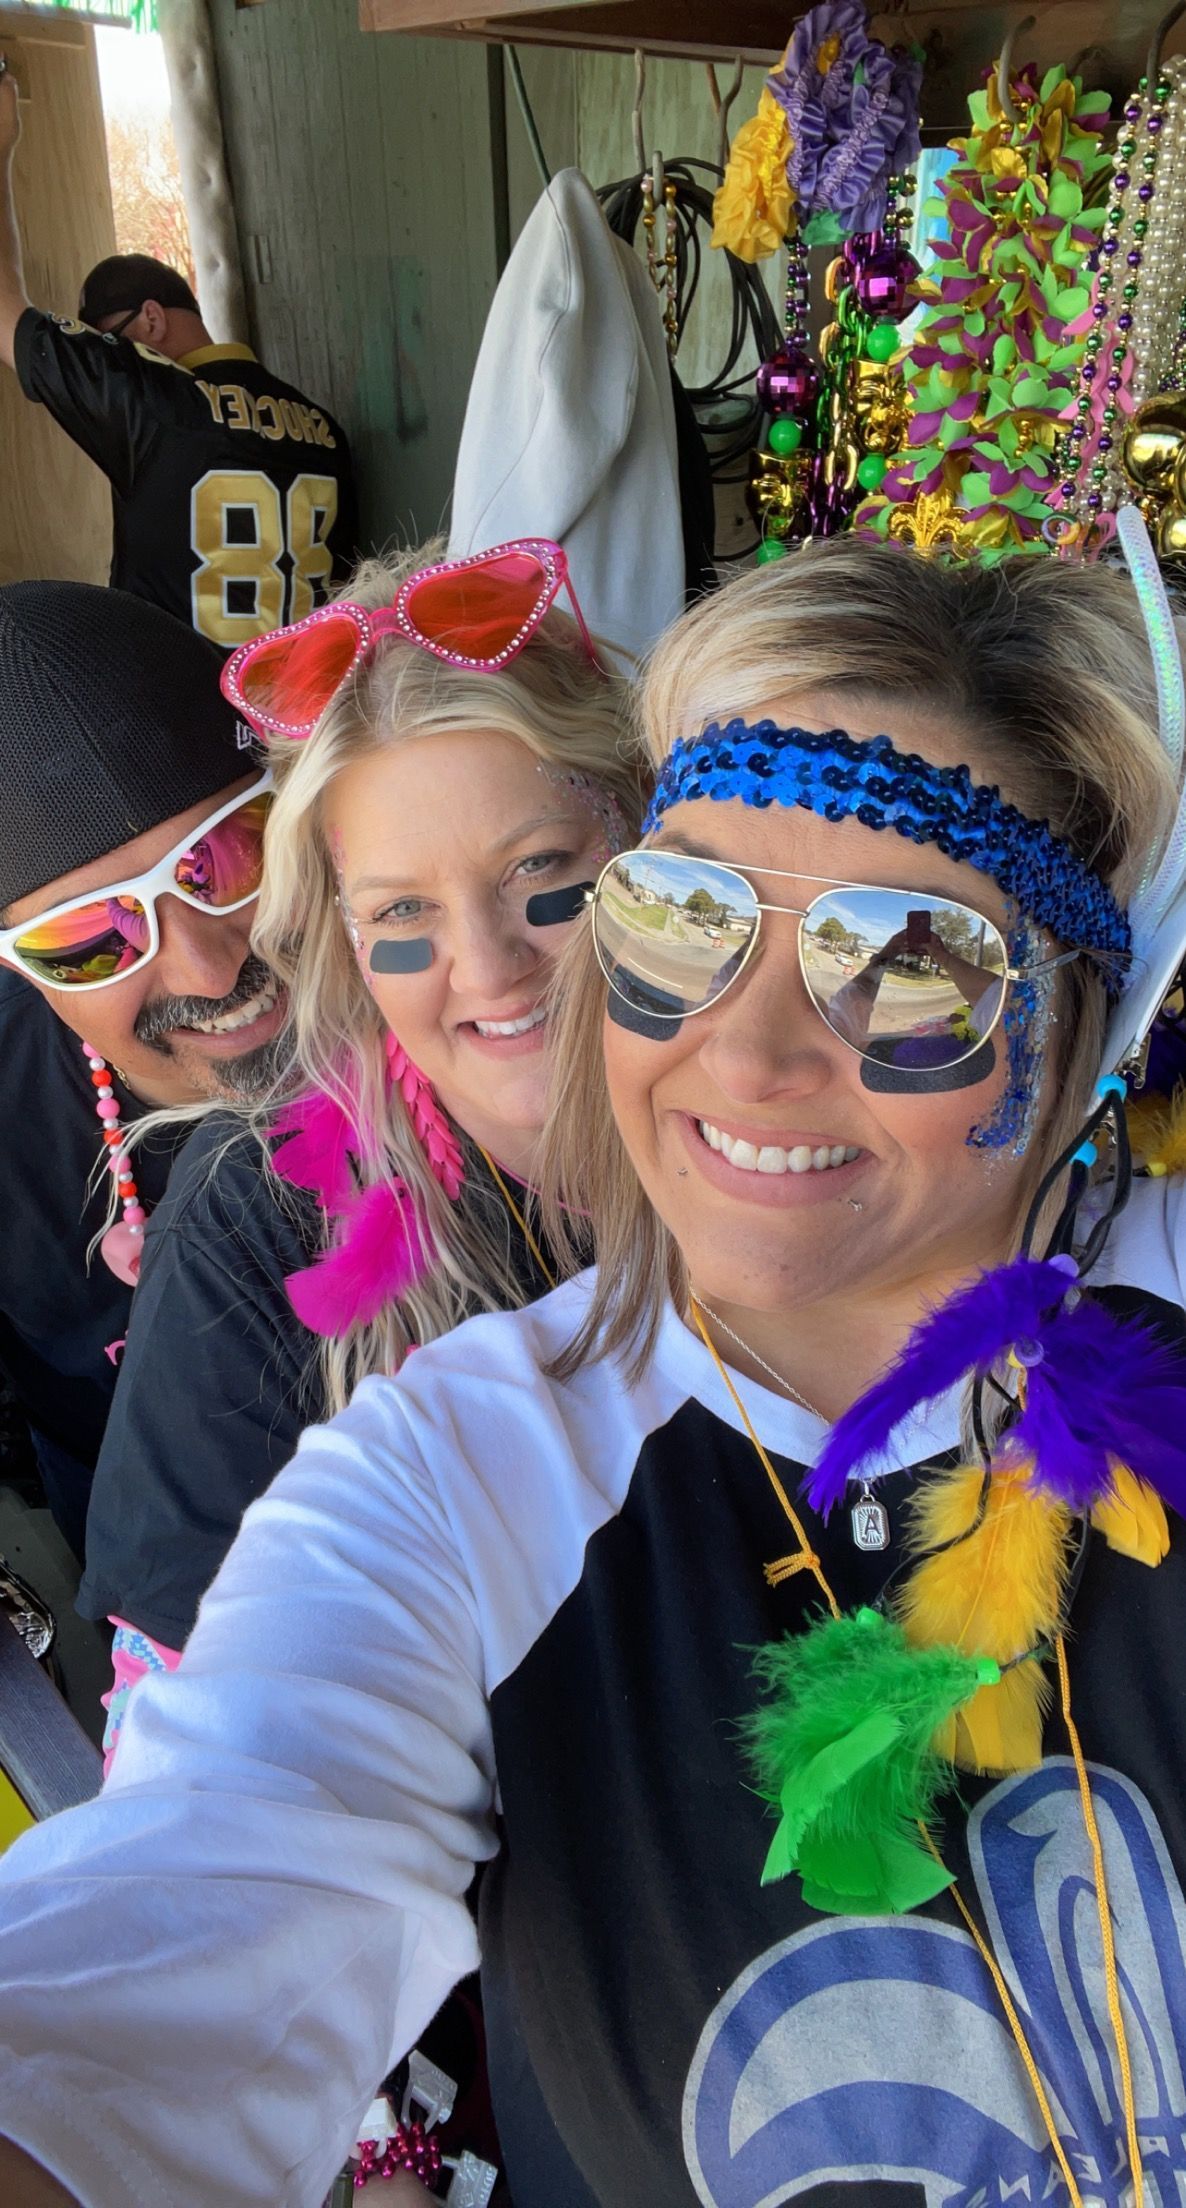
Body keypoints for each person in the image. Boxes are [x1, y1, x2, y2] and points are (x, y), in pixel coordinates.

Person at [4, 538, 1186, 2208]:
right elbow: (198, 1890)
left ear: (1086, 1021)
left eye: (907, 958)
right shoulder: (447, 1464)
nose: (748, 1054)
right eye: (689, 918)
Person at [79, 536, 638, 1761]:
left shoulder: (776, 1120)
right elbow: (200, 1754)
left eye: (540, 871)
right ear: (340, 933)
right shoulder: (256, 1223)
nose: (487, 969)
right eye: (402, 910)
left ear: (637, 838)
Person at [0, 579, 284, 1560]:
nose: (207, 968)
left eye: (230, 858)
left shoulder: (457, 1011)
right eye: (88, 938)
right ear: (16, 970)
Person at [0, 59, 358, 646]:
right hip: (297, 697)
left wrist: (4, 145)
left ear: (152, 318)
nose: (107, 353)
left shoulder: (151, 400)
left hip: (177, 696)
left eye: (110, 338)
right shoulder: (324, 431)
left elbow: (4, 303)